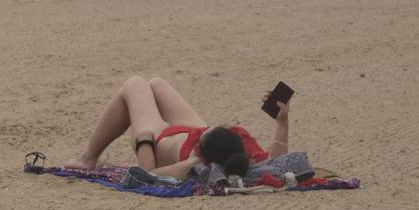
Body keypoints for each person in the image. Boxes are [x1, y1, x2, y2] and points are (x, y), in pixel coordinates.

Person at [62, 76, 294, 184]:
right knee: (156, 84)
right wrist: (282, 123)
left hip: (158, 138)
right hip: (191, 133)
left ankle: (88, 157)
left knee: (135, 85)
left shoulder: (192, 164)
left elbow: (149, 174)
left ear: (201, 154)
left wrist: (144, 142)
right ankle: (89, 156)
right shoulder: (240, 145)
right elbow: (275, 165)